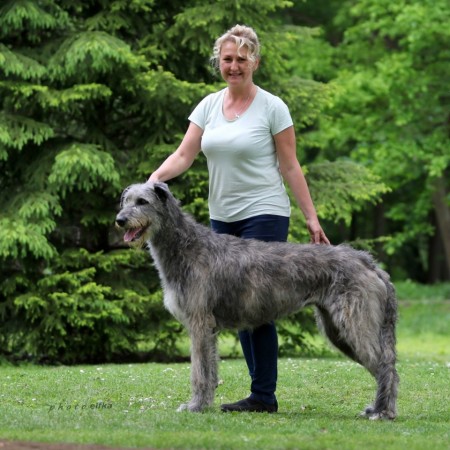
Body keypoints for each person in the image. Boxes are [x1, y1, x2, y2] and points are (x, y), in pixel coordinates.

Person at [149, 24, 329, 413]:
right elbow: (184, 155)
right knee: (233, 305)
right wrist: (153, 181)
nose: (234, 66)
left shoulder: (273, 107)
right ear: (219, 62)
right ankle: (253, 395)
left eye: (241, 59)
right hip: (222, 219)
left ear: (255, 62)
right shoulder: (209, 106)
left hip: (264, 215)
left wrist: (311, 218)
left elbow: (290, 166)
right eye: (227, 59)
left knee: (258, 306)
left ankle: (263, 395)